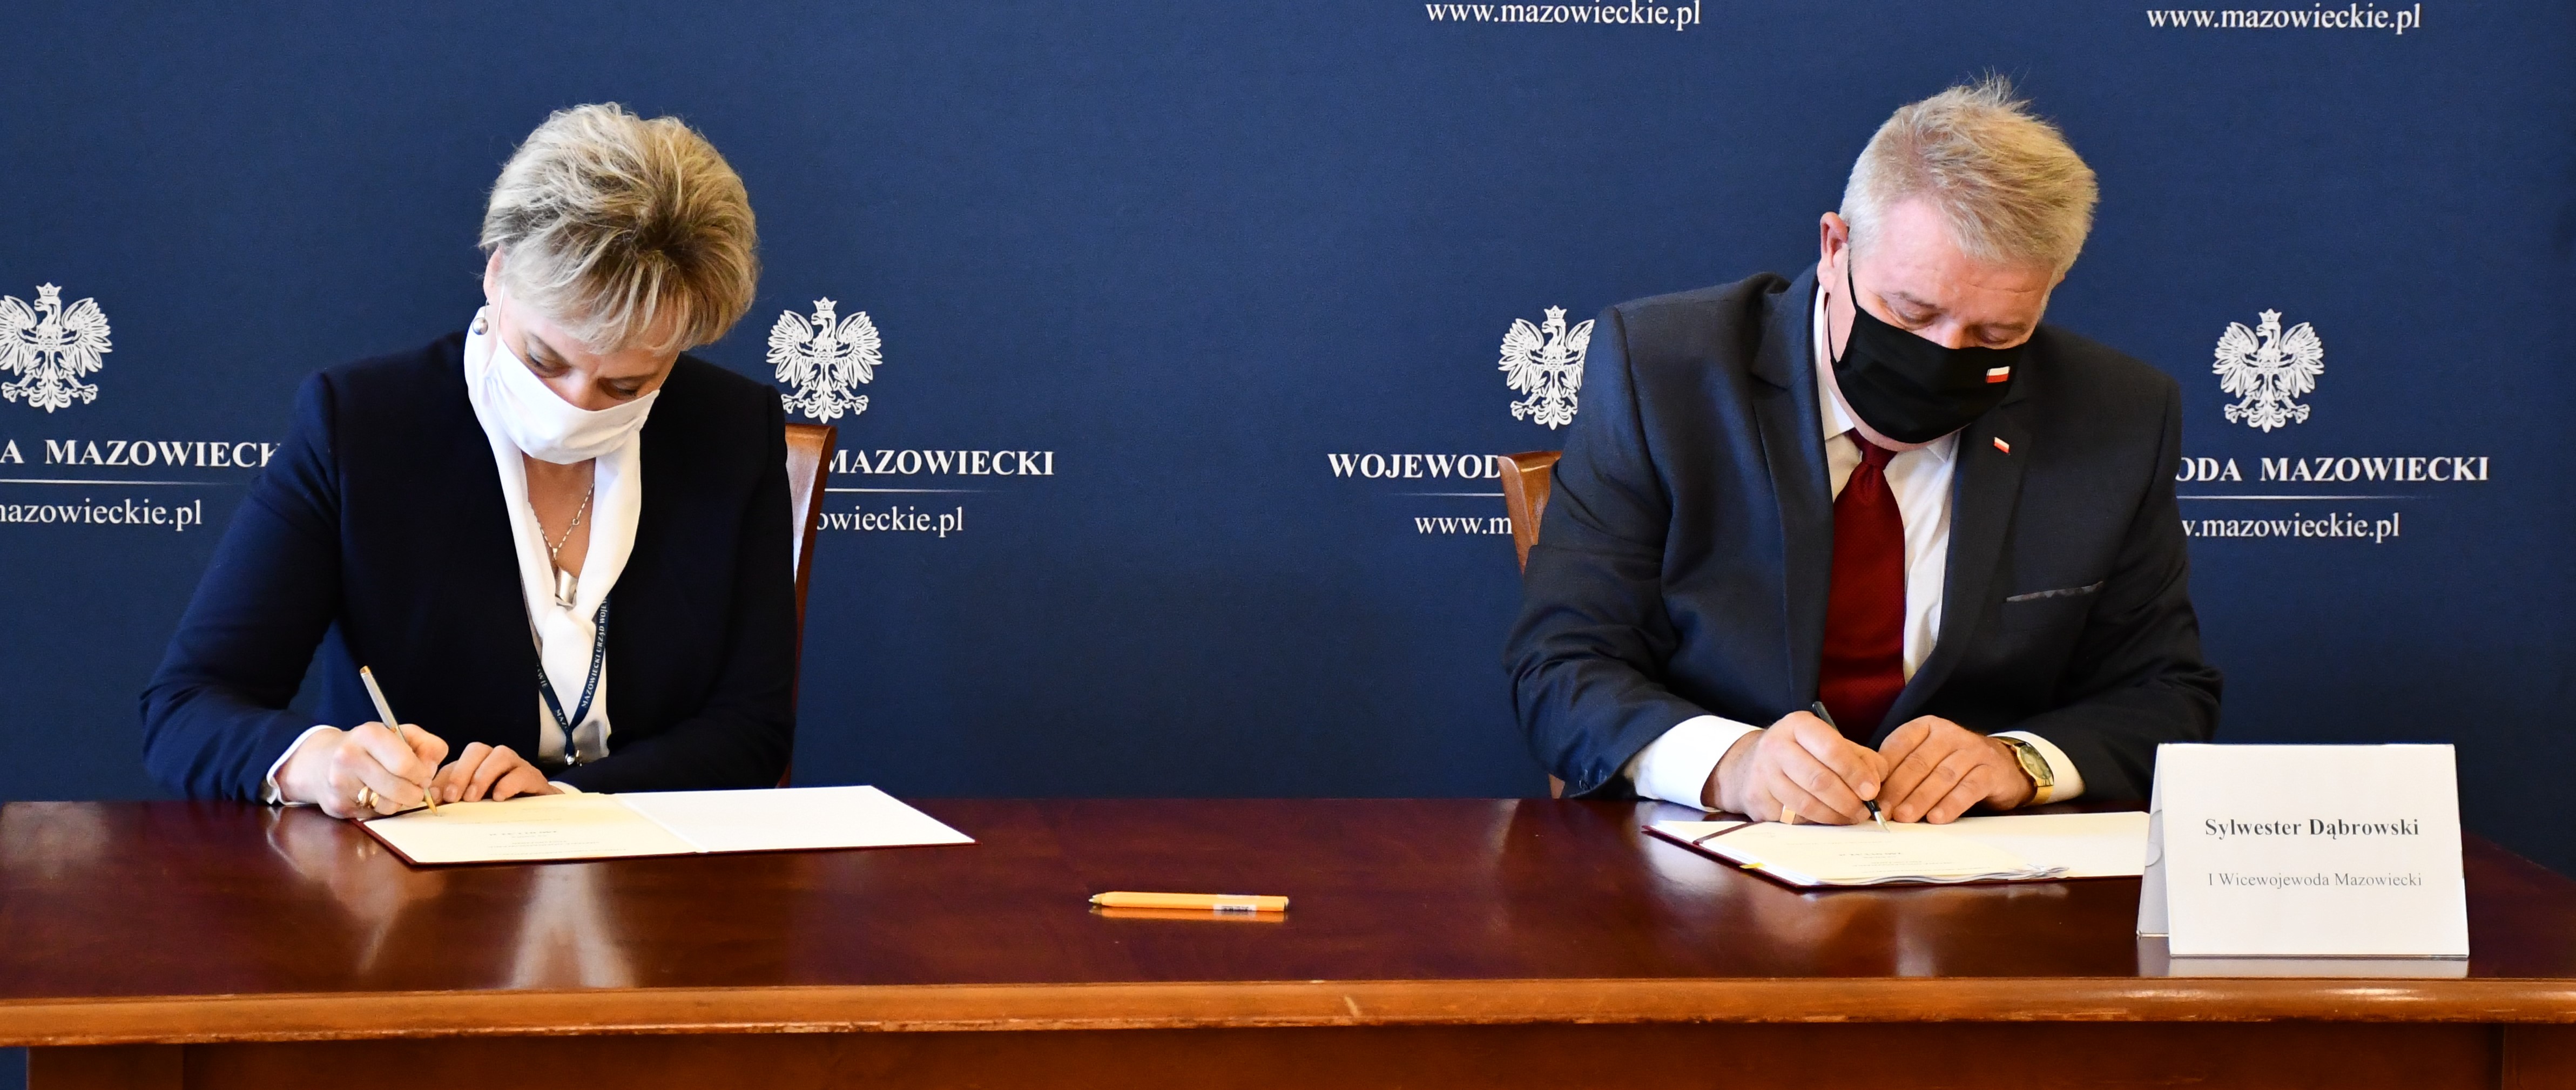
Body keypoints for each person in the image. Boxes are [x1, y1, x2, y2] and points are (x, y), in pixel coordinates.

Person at [1505, 78, 2220, 824]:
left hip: (1982, 867)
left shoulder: (2116, 414)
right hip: (1711, 855)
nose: (1944, 358)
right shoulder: (1665, 373)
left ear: (2048, 292)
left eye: (1995, 335)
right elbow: (1559, 667)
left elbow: (2164, 694)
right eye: (1909, 313)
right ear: (1834, 248)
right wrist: (1730, 766)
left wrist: (2020, 762)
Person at [143, 104, 795, 817]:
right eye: (544, 360)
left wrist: (564, 799)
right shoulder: (363, 425)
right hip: (415, 857)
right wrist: (320, 764)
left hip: (647, 860)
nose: (575, 404)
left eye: (625, 386)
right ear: (497, 272)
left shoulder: (732, 431)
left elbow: (751, 729)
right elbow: (188, 706)